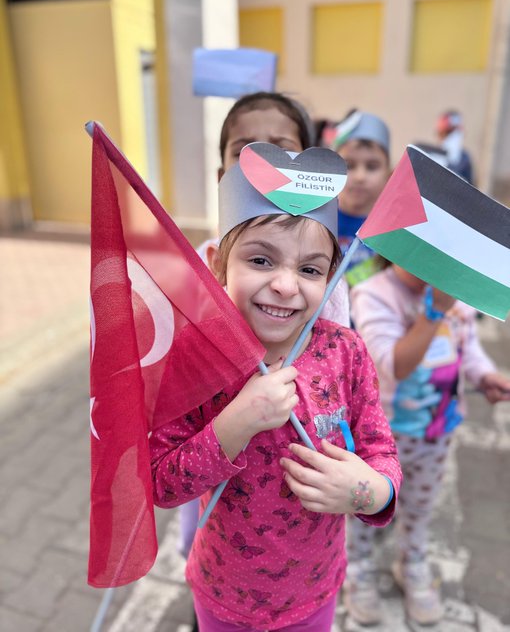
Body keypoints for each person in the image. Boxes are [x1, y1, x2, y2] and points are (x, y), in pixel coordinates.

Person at [150, 144, 402, 631]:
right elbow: (161, 482)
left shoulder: (346, 352)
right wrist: (234, 424)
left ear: (331, 278)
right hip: (222, 594)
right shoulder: (196, 355)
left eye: (309, 269)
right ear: (221, 265)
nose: (286, 285)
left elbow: (381, 451)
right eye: (261, 260)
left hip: (315, 593)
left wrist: (369, 491)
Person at [180, 93, 351, 567]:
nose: (283, 286)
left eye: (280, 148)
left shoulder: (336, 327)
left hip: (307, 542)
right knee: (199, 529)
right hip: (219, 515)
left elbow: (337, 374)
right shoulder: (202, 271)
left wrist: (364, 486)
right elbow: (171, 463)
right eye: (245, 151)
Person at [344, 262, 510, 626]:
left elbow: (467, 349)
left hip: (438, 431)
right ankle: (357, 568)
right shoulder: (373, 293)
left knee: (420, 506)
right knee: (362, 507)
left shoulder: (455, 294)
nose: (438, 266)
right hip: (381, 438)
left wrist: (485, 376)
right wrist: (434, 310)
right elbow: (393, 365)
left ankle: (413, 562)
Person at [331, 110, 392, 288]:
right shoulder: (317, 222)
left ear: (388, 174)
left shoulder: (393, 231)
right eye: (349, 165)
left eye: (372, 167)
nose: (360, 177)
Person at [436, 109, 475, 185]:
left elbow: (470, 188)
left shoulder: (465, 158)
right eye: (448, 133)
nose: (453, 137)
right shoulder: (431, 155)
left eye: (456, 132)